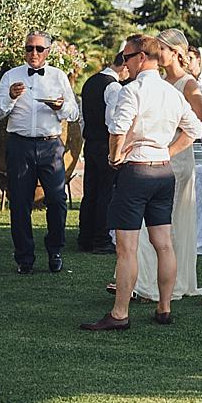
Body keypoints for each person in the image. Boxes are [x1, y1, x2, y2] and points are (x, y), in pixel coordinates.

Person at [81, 35, 202, 331]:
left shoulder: (132, 90)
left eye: (126, 57)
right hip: (164, 172)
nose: (124, 63)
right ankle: (164, 307)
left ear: (141, 57)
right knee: (164, 244)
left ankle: (120, 313)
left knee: (127, 247)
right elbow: (196, 129)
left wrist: (114, 157)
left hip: (136, 172)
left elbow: (117, 129)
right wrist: (168, 151)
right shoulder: (171, 93)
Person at [0, 30, 79, 275]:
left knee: (58, 201)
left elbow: (74, 113)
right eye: (30, 48)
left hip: (50, 145)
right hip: (20, 145)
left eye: (39, 49)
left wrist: (61, 107)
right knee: (19, 203)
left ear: (48, 51)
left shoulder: (59, 77)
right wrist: (9, 97)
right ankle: (24, 258)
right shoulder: (11, 76)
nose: (34, 53)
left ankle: (55, 250)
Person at [131, 30, 202, 303]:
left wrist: (168, 146)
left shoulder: (189, 85)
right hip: (155, 159)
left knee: (168, 225)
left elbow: (198, 127)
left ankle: (167, 284)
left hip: (177, 159)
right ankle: (145, 281)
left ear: (176, 52)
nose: (157, 53)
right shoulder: (159, 82)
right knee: (150, 225)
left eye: (161, 48)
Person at [77, 50, 126, 255]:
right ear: (123, 65)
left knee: (91, 190)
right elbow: (113, 122)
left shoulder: (90, 82)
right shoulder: (114, 87)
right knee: (106, 191)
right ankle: (101, 239)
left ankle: (85, 237)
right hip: (106, 144)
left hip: (90, 142)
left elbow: (82, 118)